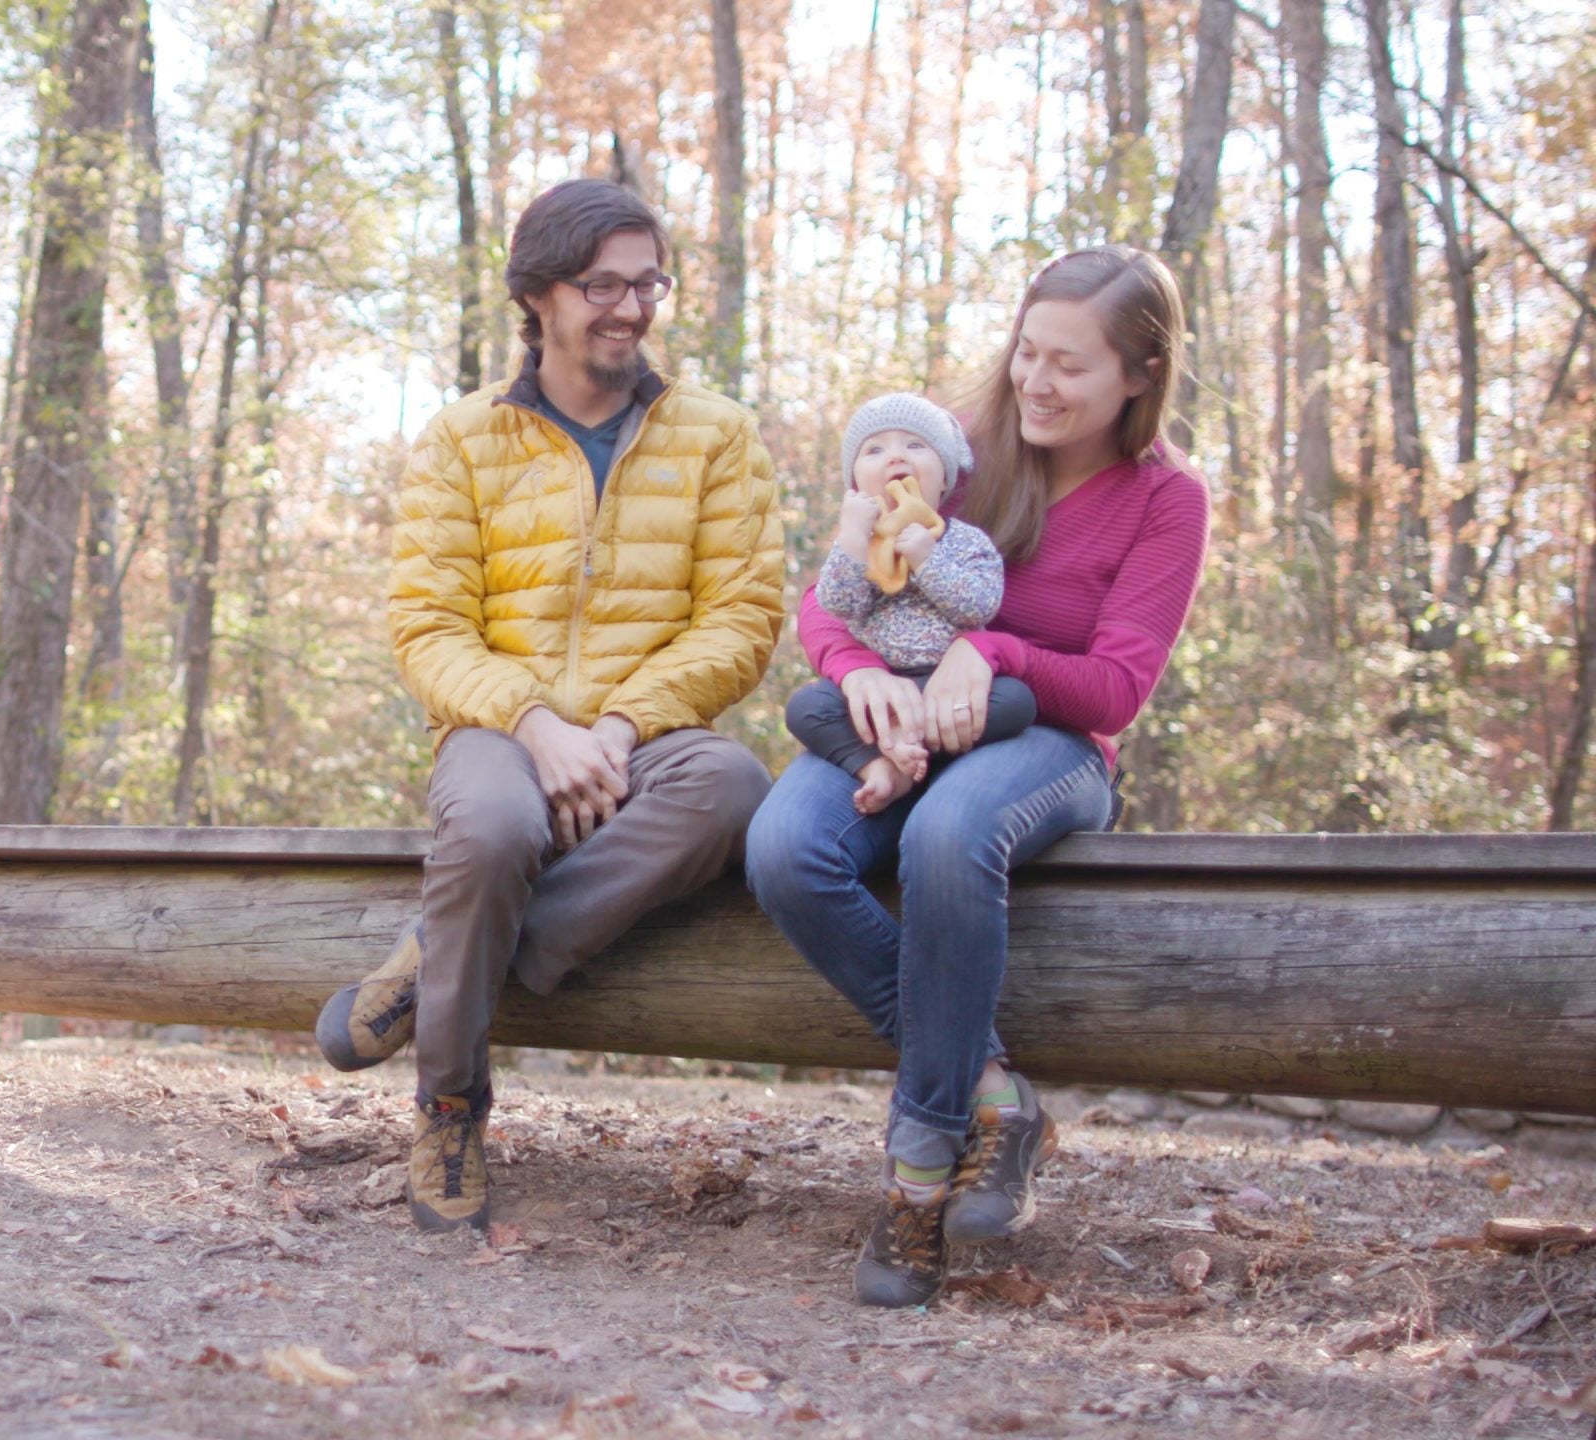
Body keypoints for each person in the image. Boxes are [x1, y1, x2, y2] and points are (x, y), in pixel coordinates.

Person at [315, 178, 786, 1235]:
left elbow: (742, 622)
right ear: (538, 296)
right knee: (488, 828)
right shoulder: (461, 440)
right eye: (601, 285)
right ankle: (447, 1111)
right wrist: (537, 726)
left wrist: (613, 732)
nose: (630, 307)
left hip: (650, 738)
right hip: (497, 728)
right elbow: (429, 629)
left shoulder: (717, 438)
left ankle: (441, 959)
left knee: (734, 786)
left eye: (647, 282)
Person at [745, 246, 1209, 1306]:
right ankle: (994, 1092)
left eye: (1070, 367)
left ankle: (916, 1166)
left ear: (1140, 374)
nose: (1035, 384)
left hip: (1048, 740)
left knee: (946, 837)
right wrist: (857, 672)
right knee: (783, 847)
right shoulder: (957, 448)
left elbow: (1115, 691)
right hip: (900, 713)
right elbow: (833, 588)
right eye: (1025, 354)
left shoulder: (1165, 499)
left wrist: (992, 651)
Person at [785, 393, 1038, 814]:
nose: (895, 457)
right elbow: (837, 603)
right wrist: (851, 540)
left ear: (945, 480)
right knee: (806, 708)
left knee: (1017, 702)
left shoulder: (964, 541)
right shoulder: (860, 545)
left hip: (948, 687)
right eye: (875, 450)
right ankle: (881, 768)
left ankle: (915, 742)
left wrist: (927, 559)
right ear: (856, 484)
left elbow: (978, 607)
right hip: (879, 687)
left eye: (915, 446)